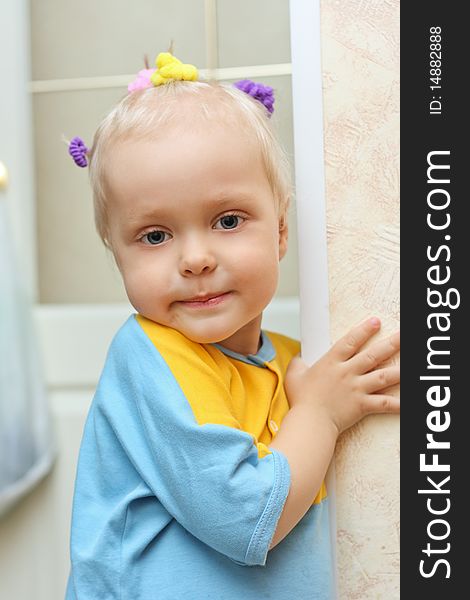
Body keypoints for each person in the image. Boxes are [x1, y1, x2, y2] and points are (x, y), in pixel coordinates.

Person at [65, 52, 400, 599]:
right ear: (115, 252)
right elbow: (249, 519)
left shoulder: (291, 363)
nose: (195, 258)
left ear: (282, 229)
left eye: (227, 220)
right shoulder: (151, 357)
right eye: (154, 235)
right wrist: (319, 413)